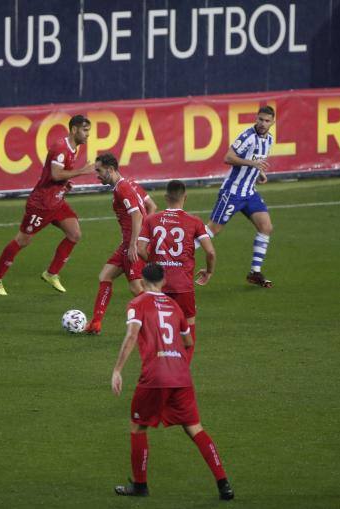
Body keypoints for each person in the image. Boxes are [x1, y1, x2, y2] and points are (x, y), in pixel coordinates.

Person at [111, 263, 234, 501]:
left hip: (154, 376)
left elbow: (132, 335)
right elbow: (188, 341)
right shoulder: (174, 306)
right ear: (163, 281)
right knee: (195, 428)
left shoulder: (137, 304)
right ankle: (224, 484)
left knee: (138, 427)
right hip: (181, 376)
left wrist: (117, 370)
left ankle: (140, 486)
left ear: (142, 281)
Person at [0, 115, 95, 296]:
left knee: (74, 234)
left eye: (88, 131)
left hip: (57, 202)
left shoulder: (72, 148)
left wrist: (66, 183)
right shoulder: (61, 148)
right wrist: (81, 172)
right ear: (74, 130)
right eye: (85, 130)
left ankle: (51, 273)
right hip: (41, 204)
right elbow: (55, 175)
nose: (87, 135)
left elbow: (59, 177)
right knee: (23, 240)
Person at [137, 180, 215, 360]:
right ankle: (183, 370)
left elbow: (140, 249)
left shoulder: (151, 219)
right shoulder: (194, 221)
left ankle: (158, 365)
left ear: (166, 197)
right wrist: (209, 271)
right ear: (185, 197)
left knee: (158, 328)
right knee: (188, 329)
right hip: (183, 286)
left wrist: (155, 263)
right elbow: (210, 252)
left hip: (158, 286)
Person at [85, 153, 157, 335]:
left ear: (110, 170)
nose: (97, 175)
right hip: (130, 242)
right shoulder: (130, 184)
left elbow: (137, 215)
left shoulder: (122, 189)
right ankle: (96, 323)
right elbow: (152, 206)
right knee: (105, 275)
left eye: (99, 171)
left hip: (132, 244)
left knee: (136, 287)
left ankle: (158, 319)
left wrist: (135, 242)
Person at [206, 105, 276, 288]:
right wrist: (253, 164)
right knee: (211, 231)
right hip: (232, 192)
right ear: (256, 118)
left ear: (272, 122)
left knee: (266, 227)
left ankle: (255, 273)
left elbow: (255, 162)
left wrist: (258, 172)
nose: (263, 123)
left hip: (249, 192)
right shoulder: (247, 136)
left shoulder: (269, 139)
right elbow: (228, 157)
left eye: (267, 120)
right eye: (260, 119)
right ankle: (172, 259)